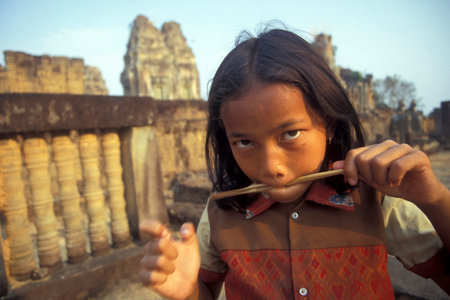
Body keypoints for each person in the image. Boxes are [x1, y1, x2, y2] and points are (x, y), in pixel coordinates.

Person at [139, 28, 450, 299]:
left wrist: (435, 199)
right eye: (244, 142)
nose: (271, 166)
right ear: (226, 139)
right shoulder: (223, 211)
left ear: (328, 123)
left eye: (290, 134)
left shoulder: (376, 198)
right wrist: (186, 292)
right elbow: (202, 294)